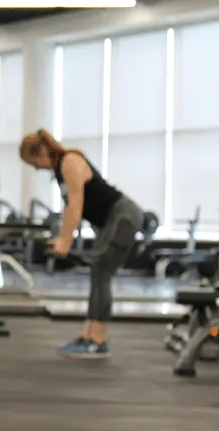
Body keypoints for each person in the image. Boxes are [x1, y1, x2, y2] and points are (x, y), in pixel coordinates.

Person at [19, 129, 145, 359]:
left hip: (124, 216)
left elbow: (75, 206)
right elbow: (71, 208)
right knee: (98, 271)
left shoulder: (70, 161)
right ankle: (89, 335)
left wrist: (66, 241)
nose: (35, 168)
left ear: (42, 152)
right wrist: (62, 239)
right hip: (111, 220)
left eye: (33, 162)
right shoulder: (60, 170)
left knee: (102, 271)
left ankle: (98, 340)